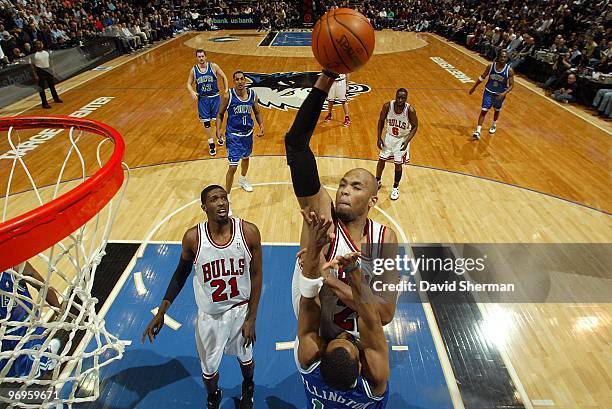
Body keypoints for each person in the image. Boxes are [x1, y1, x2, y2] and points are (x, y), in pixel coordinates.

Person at [285, 70, 399, 343]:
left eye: (356, 187)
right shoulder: (324, 215)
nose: (345, 190)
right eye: (343, 184)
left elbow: (385, 314)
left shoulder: (385, 238)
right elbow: (296, 144)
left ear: (373, 200)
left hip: (357, 344)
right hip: (317, 338)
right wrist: (325, 80)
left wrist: (333, 280)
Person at [142, 185, 262, 409]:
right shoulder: (193, 238)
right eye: (214, 199)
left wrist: (252, 318)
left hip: (240, 309)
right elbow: (180, 274)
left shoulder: (248, 232)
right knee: (209, 369)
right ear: (204, 207)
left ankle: (248, 385)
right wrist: (161, 311)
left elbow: (256, 276)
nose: (221, 203)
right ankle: (213, 395)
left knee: (246, 357)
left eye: (224, 198)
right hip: (210, 316)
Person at [295, 213, 390, 407]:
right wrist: (353, 271)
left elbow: (308, 300)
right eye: (350, 341)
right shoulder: (374, 382)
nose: (345, 334)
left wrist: (313, 251)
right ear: (360, 366)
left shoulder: (308, 360)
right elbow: (371, 317)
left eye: (339, 338)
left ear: (321, 356)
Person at [1, 262, 62, 379]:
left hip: (28, 329)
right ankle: (49, 351)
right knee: (13, 380)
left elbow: (39, 283)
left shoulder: (13, 263)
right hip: (5, 337)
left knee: (36, 378)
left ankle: (46, 358)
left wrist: (57, 307)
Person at [216, 71, 264, 213]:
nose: (240, 81)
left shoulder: (253, 95)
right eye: (237, 79)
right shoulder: (228, 95)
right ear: (233, 81)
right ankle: (227, 198)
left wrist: (261, 125)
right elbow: (220, 114)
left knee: (246, 158)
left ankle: (242, 180)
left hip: (247, 133)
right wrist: (218, 130)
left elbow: (257, 112)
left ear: (245, 80)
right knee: (232, 166)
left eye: (242, 79)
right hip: (233, 135)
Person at [375, 88, 418, 201]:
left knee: (398, 164)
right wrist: (379, 137)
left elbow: (415, 126)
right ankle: (377, 180)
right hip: (389, 137)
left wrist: (407, 140)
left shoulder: (410, 111)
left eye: (402, 98)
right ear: (395, 96)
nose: (399, 100)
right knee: (381, 159)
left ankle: (395, 187)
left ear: (406, 99)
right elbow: (381, 120)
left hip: (401, 139)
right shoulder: (387, 106)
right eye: (398, 97)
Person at [187, 49, 228, 156]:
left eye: (202, 56)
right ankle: (211, 145)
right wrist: (192, 91)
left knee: (217, 121)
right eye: (199, 57)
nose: (201, 58)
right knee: (206, 123)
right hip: (203, 99)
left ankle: (219, 135)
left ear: (206, 56)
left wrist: (226, 89)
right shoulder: (194, 70)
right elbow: (188, 84)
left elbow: (224, 76)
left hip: (215, 98)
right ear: (197, 58)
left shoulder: (213, 66)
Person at [468, 49, 514, 139]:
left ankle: (494, 124)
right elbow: (482, 77)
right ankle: (478, 131)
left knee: (497, 110)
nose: (503, 58)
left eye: (505, 57)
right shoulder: (491, 67)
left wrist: (504, 93)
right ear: (498, 57)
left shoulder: (509, 70)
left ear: (507, 58)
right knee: (484, 110)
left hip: (499, 94)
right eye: (501, 56)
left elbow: (512, 85)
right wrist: (474, 87)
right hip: (488, 91)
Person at [30, 40, 62, 109]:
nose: (39, 45)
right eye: (38, 44)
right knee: (41, 89)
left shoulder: (46, 52)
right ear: (35, 45)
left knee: (52, 86)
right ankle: (44, 103)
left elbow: (50, 61)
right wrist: (35, 75)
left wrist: (52, 69)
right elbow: (32, 65)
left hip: (48, 69)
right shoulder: (33, 54)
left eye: (40, 43)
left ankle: (56, 98)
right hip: (40, 71)